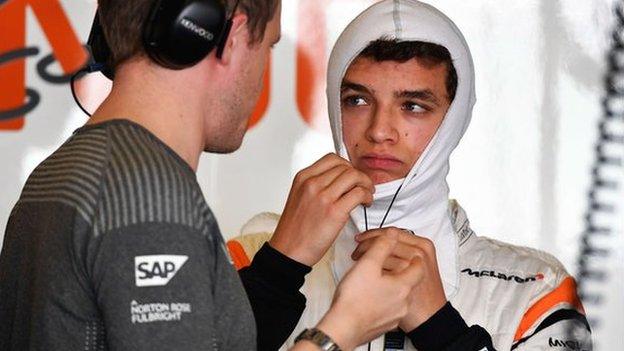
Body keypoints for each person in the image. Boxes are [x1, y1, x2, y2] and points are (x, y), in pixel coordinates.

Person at [0, 0, 426, 350]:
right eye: (269, 47)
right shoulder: (147, 200)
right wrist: (342, 329)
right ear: (234, 37)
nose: (263, 75)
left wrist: (282, 264)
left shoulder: (63, 172)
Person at [227, 1, 593, 350]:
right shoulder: (246, 259)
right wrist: (278, 270)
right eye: (357, 100)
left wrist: (440, 328)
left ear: (454, 119)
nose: (380, 131)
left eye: (413, 106)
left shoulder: (537, 292)